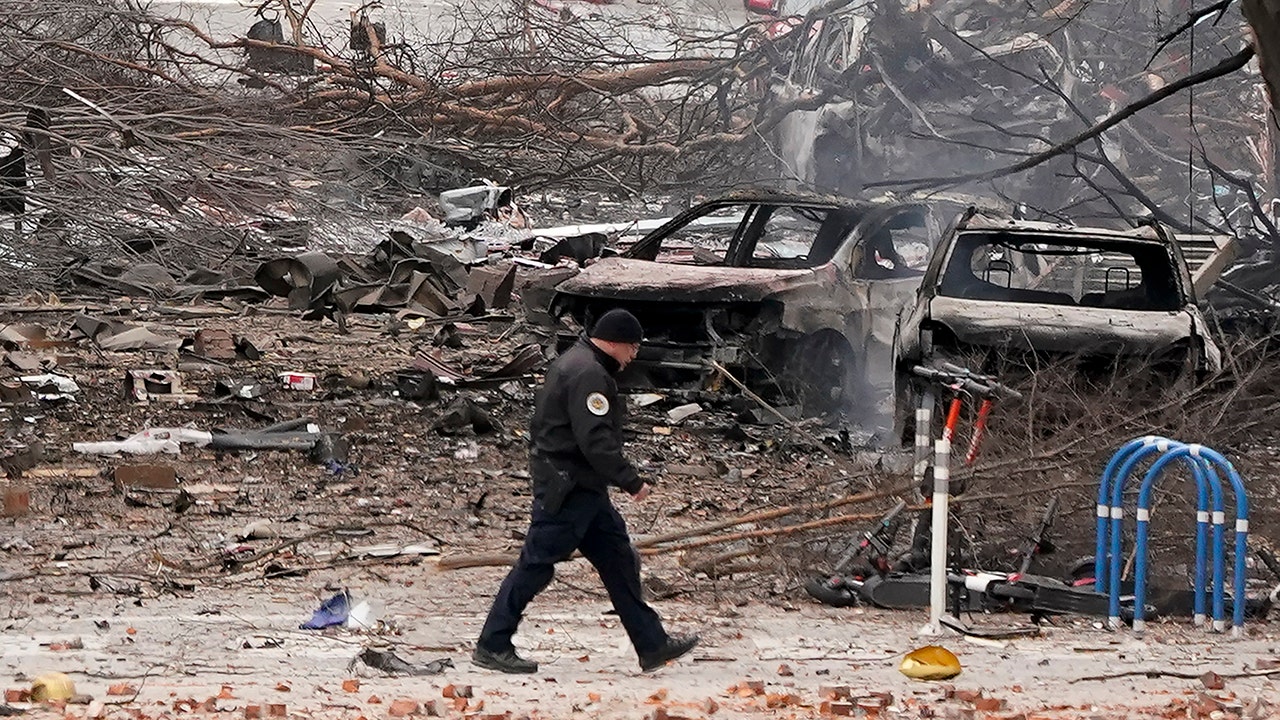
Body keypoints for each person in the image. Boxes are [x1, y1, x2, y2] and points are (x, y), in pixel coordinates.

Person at [473, 308, 699, 674]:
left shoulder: (578, 362)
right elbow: (594, 439)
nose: (634, 355)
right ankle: (492, 644)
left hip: (583, 488)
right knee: (536, 565)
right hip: (569, 488)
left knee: (619, 560)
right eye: (632, 347)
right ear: (613, 342)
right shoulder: (589, 374)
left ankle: (652, 644)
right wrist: (630, 480)